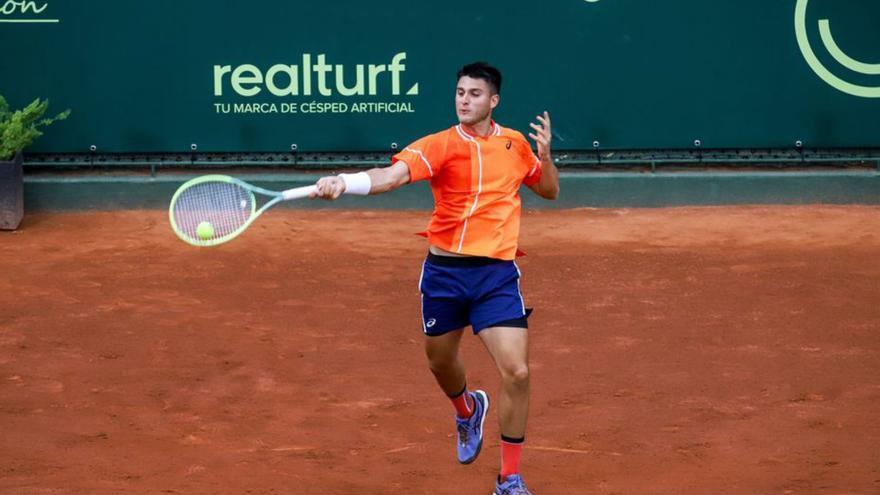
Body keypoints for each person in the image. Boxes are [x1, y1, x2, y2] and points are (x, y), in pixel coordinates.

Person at [311, 61, 558, 495]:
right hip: (445, 275)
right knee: (440, 362)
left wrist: (546, 158)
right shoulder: (439, 145)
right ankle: (467, 410)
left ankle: (510, 478)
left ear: (493, 100)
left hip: (495, 276)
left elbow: (549, 189)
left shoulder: (515, 145)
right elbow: (391, 177)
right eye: (460, 92)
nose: (464, 100)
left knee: (517, 372)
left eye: (474, 94)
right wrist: (344, 182)